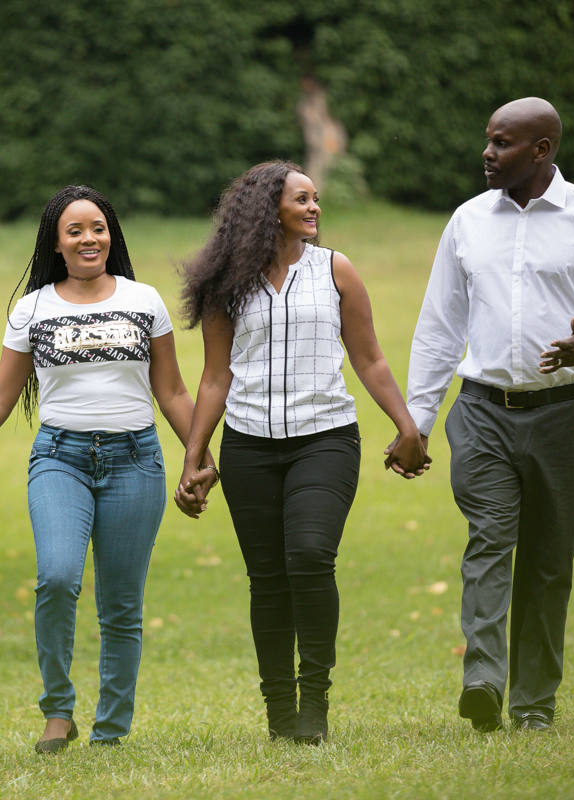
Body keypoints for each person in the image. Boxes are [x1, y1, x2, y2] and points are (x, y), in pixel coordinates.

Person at [394, 97, 574, 733]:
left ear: (542, 150)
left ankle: (534, 704)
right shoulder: (467, 221)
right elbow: (438, 328)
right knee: (490, 538)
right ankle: (483, 677)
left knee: (548, 561)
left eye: (502, 143)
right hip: (482, 412)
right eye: (487, 140)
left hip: (564, 417)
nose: (487, 153)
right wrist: (417, 423)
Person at [0, 185, 215, 752]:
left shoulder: (144, 300)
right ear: (56, 244)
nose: (89, 239)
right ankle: (58, 711)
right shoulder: (34, 309)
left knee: (121, 602)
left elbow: (173, 390)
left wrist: (199, 458)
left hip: (135, 458)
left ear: (111, 235)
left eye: (99, 228)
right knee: (57, 577)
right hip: (60, 458)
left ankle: (111, 728)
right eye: (75, 231)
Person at [175, 161, 428, 744]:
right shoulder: (226, 282)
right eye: (302, 199)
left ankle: (314, 701)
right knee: (267, 579)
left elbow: (369, 357)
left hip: (325, 438)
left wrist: (406, 424)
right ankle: (279, 712)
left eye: (316, 200)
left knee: (311, 556)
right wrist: (196, 453)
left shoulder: (335, 270)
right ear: (269, 209)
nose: (314, 208)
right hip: (249, 446)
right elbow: (215, 378)